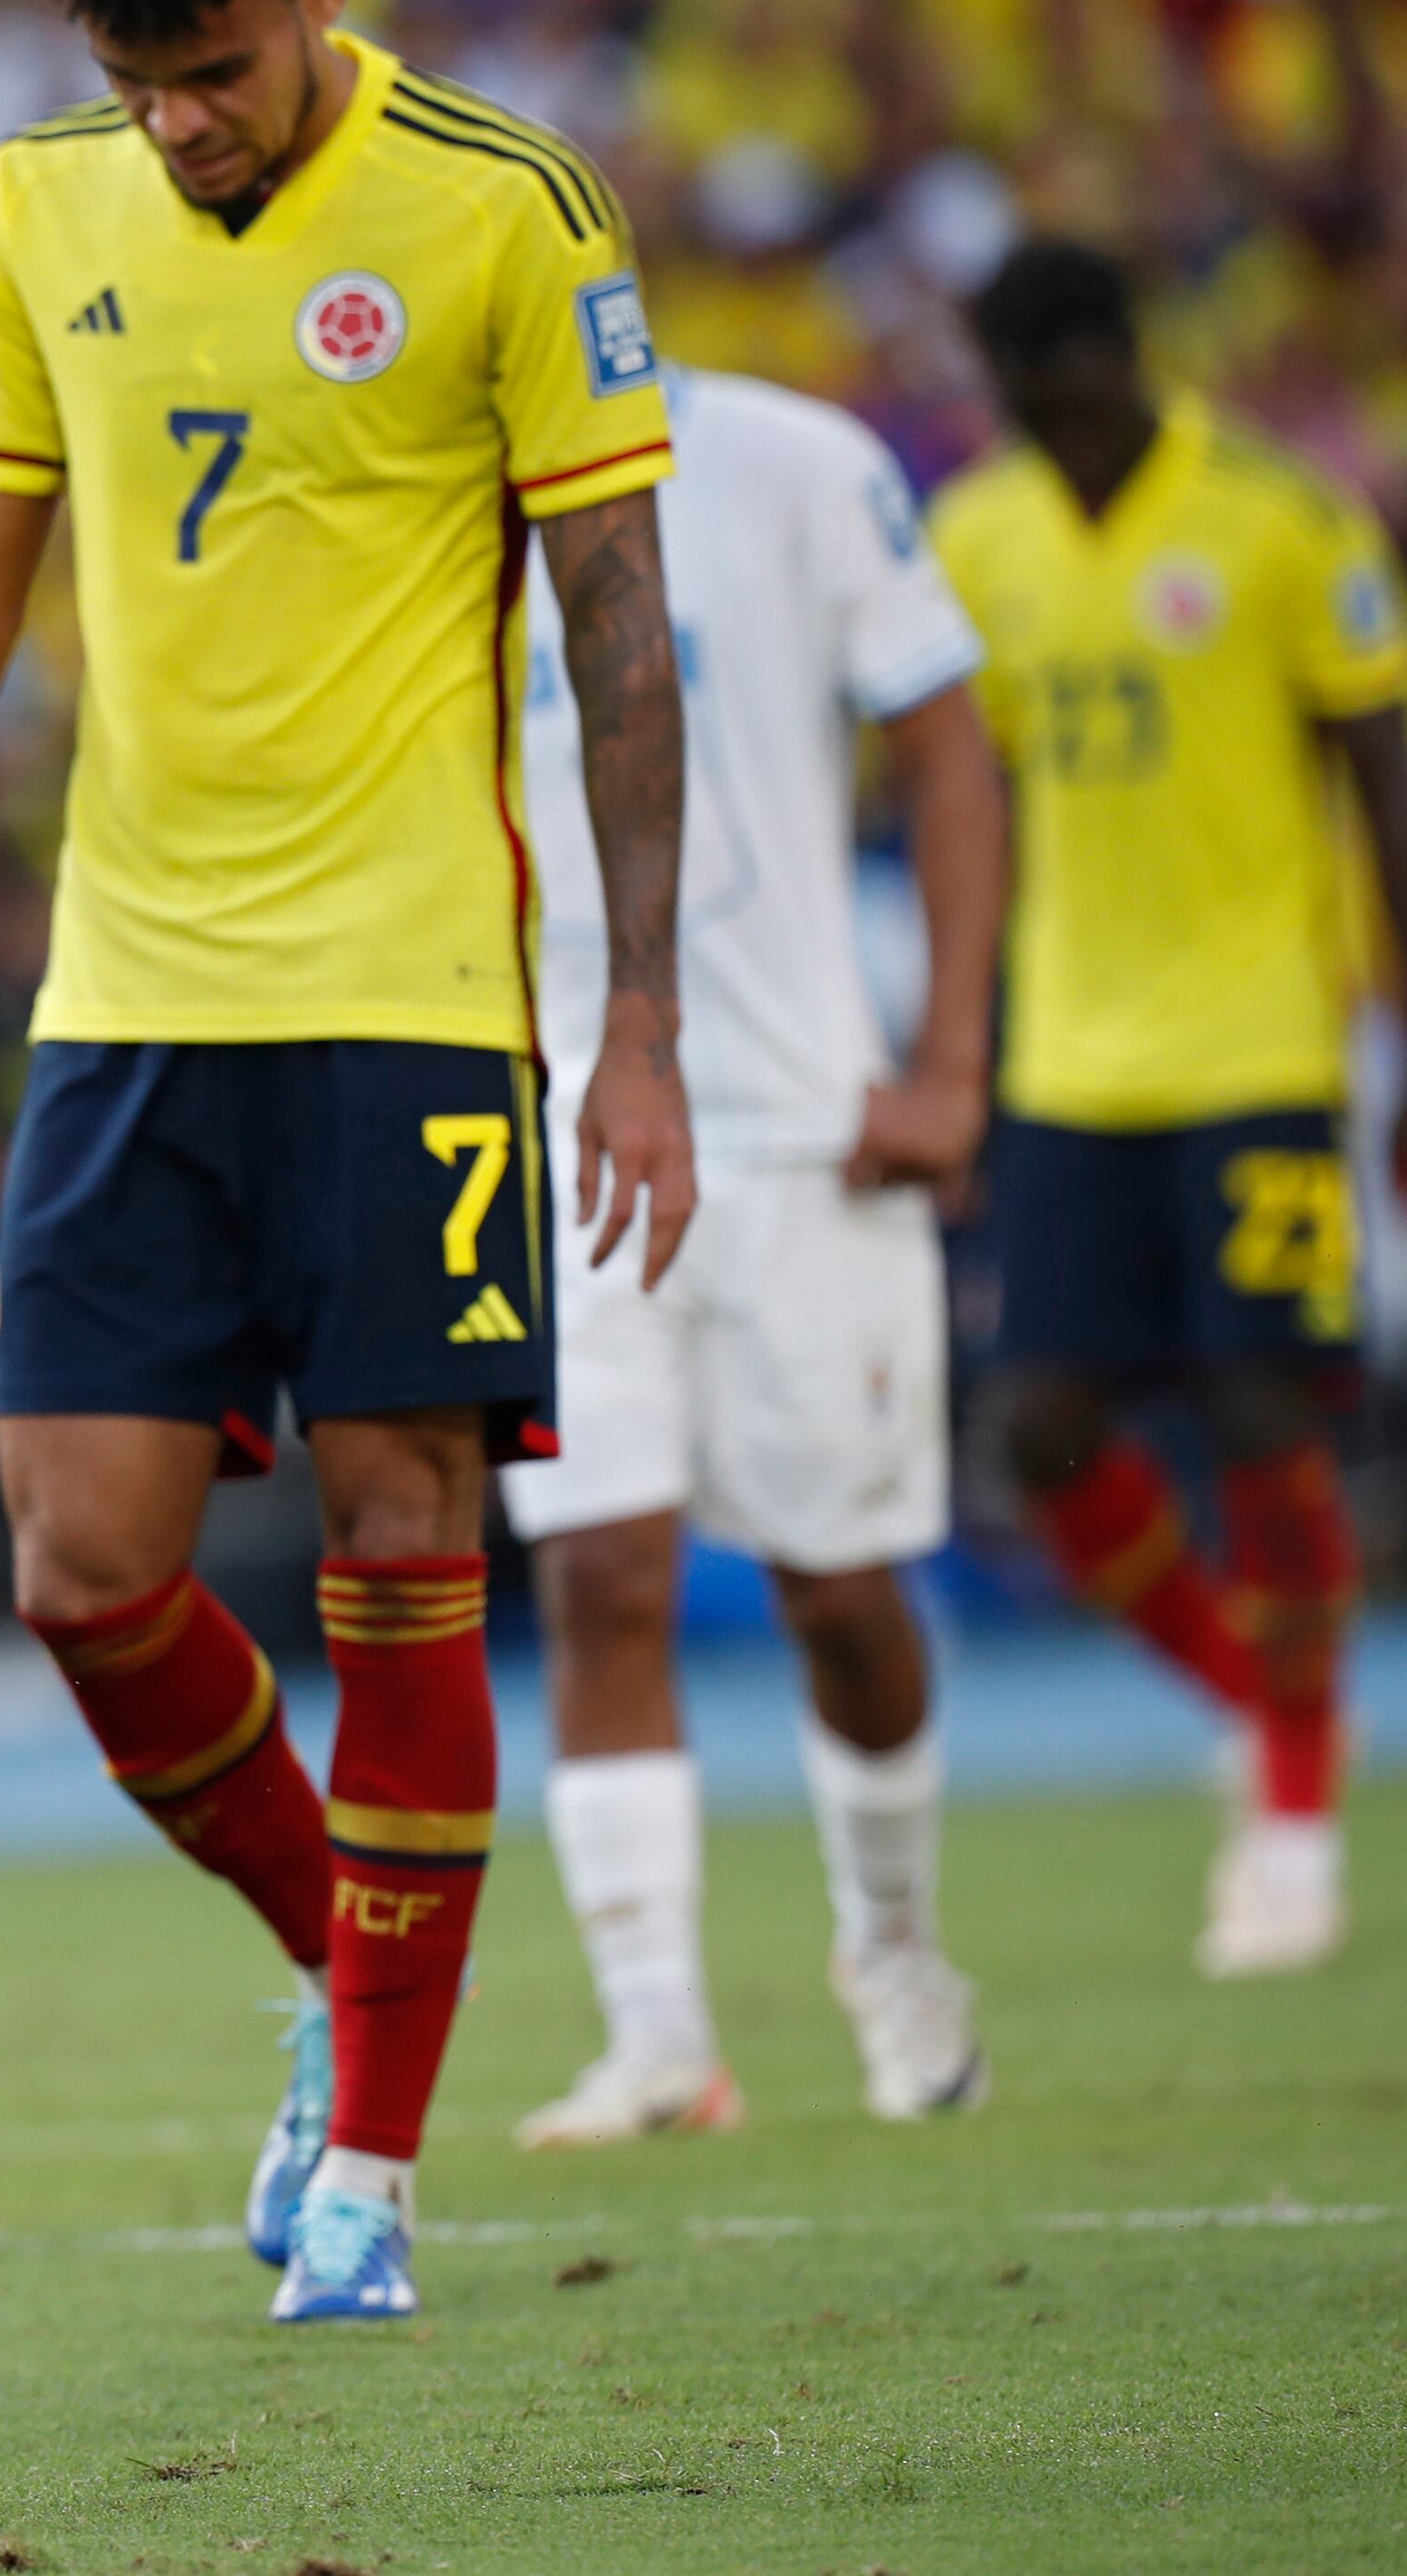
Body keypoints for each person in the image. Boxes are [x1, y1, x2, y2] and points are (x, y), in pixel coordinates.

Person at [0, 0, 693, 2324]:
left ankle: (379, 2175)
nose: (178, 121)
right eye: (137, 82)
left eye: (213, 66)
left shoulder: (506, 212)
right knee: (82, 1565)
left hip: (409, 996)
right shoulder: (35, 213)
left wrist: (636, 1016)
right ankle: (350, 1954)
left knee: (404, 1553)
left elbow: (625, 642)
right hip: (129, 999)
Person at [496, 362, 1008, 2143]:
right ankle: (657, 2037)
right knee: (600, 1575)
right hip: (548, 1120)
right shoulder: (408, 479)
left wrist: (947, 1059)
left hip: (800, 1117)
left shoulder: (799, 466)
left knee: (839, 1589)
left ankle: (891, 1942)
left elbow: (946, 748)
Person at [930, 237, 1407, 1979]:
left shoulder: (1284, 520)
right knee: (1044, 1428)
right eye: (1018, 404)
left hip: (1261, 1045)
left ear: (1127, 356)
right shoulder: (979, 540)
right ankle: (1260, 1694)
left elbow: (1382, 780)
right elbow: (964, 802)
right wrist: (959, 1041)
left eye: (1067, 389)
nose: (1048, 428)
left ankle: (1287, 1824)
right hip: (1069, 1053)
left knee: (1263, 1408)